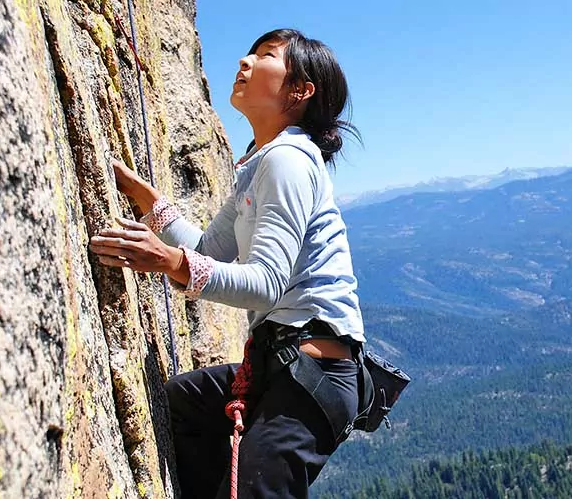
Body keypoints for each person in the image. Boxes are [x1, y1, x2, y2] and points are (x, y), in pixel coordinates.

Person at [89, 28, 365, 498]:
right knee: (176, 405)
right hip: (284, 367)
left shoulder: (289, 161)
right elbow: (209, 250)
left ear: (300, 91)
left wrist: (168, 261)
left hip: (309, 376)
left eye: (265, 56)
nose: (244, 61)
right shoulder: (260, 166)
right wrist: (150, 202)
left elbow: (264, 285)